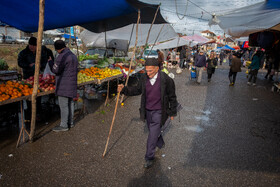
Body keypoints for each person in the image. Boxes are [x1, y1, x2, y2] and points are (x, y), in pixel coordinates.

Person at [117, 58, 178, 168]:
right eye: (147, 70)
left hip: (159, 111)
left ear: (157, 69)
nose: (148, 73)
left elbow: (172, 97)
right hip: (147, 110)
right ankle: (159, 142)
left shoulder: (166, 80)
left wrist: (172, 112)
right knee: (152, 131)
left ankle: (149, 157)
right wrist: (124, 90)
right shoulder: (144, 78)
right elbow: (137, 90)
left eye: (150, 71)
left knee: (152, 134)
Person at [18, 37, 54, 121]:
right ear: (28, 44)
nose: (32, 47)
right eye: (31, 45)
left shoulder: (40, 52)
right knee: (29, 96)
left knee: (38, 95)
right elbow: (20, 63)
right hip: (28, 77)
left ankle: (38, 113)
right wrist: (28, 65)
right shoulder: (23, 53)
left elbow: (45, 61)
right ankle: (30, 114)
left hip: (38, 77)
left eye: (34, 45)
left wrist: (40, 65)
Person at [49, 40, 78, 132]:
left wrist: (50, 62)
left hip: (63, 84)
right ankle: (70, 123)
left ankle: (64, 125)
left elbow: (56, 70)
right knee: (70, 103)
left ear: (57, 49)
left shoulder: (62, 56)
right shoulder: (73, 55)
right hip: (72, 84)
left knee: (64, 105)